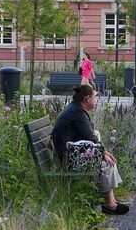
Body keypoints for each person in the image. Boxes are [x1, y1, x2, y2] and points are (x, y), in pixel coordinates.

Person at [51, 84, 129, 215]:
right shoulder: (77, 113)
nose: (96, 100)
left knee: (106, 156)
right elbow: (90, 137)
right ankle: (108, 203)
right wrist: (103, 155)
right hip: (66, 159)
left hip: (69, 152)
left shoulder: (75, 109)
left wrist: (104, 152)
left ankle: (111, 200)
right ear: (87, 98)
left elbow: (91, 137)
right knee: (105, 164)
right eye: (95, 97)